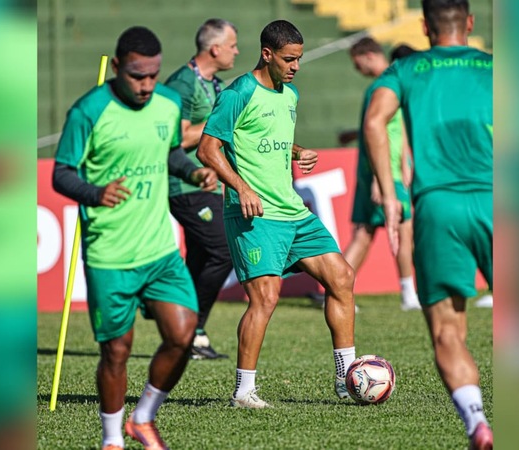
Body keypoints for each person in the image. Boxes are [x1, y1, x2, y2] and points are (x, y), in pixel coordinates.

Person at [52, 26, 217, 450]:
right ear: (119, 65)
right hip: (110, 254)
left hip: (159, 249)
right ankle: (112, 439)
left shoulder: (167, 103)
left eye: (153, 75)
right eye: (137, 76)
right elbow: (62, 173)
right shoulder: (88, 111)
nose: (146, 85)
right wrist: (95, 193)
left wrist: (191, 170)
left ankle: (142, 418)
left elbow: (171, 153)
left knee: (182, 337)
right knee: (117, 352)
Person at [196, 19, 358, 409]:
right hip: (254, 215)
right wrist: (242, 188)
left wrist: (297, 151)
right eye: (289, 59)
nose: (295, 66)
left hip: (292, 212)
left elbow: (267, 139)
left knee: (342, 276)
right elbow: (208, 149)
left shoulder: (290, 95)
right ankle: (243, 392)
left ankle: (346, 378)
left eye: (299, 59)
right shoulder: (239, 92)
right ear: (266, 54)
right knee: (265, 298)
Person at [363, 1, 493, 448]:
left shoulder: (407, 70)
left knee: (447, 330)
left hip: (438, 206)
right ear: (470, 24)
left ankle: (477, 419)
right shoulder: (494, 67)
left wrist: (391, 194)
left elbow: (374, 120)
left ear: (424, 27)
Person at [309, 38, 421, 312]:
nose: (357, 69)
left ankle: (334, 290)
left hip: (378, 170)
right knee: (401, 233)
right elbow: (380, 131)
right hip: (383, 172)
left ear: (369, 55)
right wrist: (379, 177)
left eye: (356, 62)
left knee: (365, 234)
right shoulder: (387, 86)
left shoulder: (382, 86)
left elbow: (388, 128)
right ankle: (409, 295)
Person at [164, 18, 239, 360]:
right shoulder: (182, 84)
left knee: (201, 256)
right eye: (233, 45)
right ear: (215, 48)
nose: (237, 51)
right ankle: (190, 325)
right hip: (184, 183)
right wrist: (215, 124)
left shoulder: (217, 84)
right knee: (223, 250)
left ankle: (186, 331)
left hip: (210, 185)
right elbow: (174, 139)